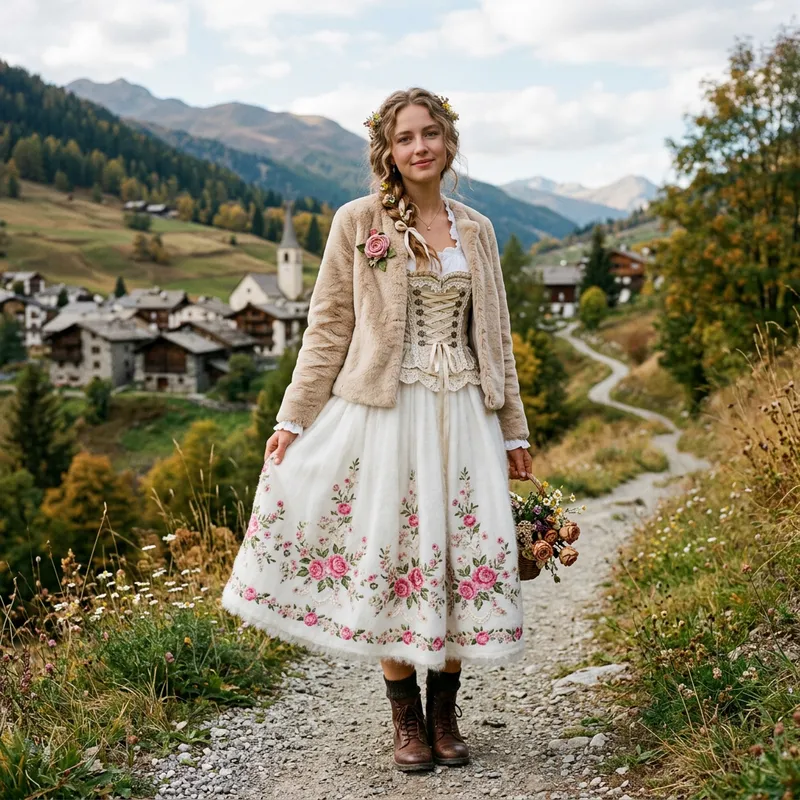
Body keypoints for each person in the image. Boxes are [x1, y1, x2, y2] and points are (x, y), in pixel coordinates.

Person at [222, 87, 533, 772]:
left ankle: (445, 715)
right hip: (387, 414)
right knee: (393, 554)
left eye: (430, 134)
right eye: (405, 138)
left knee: (456, 558)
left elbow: (498, 339)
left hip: (466, 414)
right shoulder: (358, 221)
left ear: (448, 141)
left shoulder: (477, 230)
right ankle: (406, 721)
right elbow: (329, 325)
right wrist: (293, 418)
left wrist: (514, 431)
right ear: (387, 152)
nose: (420, 147)